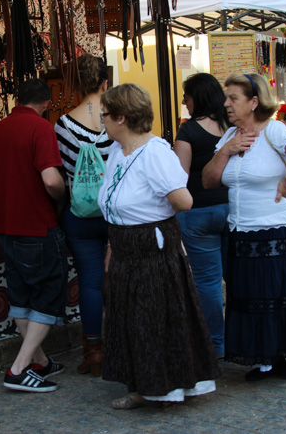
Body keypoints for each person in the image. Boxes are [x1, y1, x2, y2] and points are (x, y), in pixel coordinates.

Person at [97, 83, 221, 409]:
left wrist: (151, 213)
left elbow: (184, 200)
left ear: (122, 117)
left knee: (152, 321)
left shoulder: (154, 153)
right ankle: (143, 386)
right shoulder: (115, 152)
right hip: (126, 249)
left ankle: (165, 388)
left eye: (106, 115)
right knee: (131, 322)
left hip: (151, 249)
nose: (102, 121)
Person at [202, 72, 286, 382]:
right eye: (226, 97)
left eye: (234, 98)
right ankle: (265, 358)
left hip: (277, 230)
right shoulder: (229, 135)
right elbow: (208, 180)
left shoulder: (275, 131)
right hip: (242, 232)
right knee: (251, 297)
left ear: (254, 101)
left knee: (282, 295)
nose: (226, 103)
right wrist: (226, 150)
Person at [0, 79, 68, 393]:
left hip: (6, 226)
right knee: (48, 297)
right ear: (47, 103)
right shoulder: (41, 128)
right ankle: (19, 368)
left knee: (21, 297)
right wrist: (63, 196)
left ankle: (41, 361)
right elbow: (51, 180)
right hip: (36, 224)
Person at [54, 54, 113, 376]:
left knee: (90, 283)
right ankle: (125, 343)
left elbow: (63, 176)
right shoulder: (116, 119)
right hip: (115, 213)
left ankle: (94, 352)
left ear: (75, 85)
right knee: (119, 279)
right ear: (105, 83)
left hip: (79, 215)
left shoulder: (62, 125)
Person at [173, 73, 231, 358]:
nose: (184, 101)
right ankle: (242, 337)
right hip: (234, 210)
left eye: (187, 96)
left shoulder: (188, 131)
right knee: (238, 277)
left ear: (199, 96)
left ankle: (215, 345)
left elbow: (179, 178)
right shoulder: (232, 125)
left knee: (208, 283)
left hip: (198, 213)